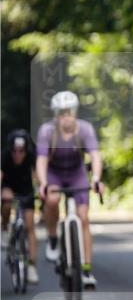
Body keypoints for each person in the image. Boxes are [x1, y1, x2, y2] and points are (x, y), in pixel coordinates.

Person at [36, 91, 104, 289]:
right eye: (61, 113)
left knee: (83, 218)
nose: (66, 117)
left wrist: (97, 179)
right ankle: (53, 238)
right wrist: (43, 183)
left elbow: (95, 156)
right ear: (56, 115)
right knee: (52, 199)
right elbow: (41, 160)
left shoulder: (85, 129)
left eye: (69, 112)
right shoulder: (47, 131)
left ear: (75, 113)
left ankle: (86, 269)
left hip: (77, 173)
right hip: (55, 174)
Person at [1, 129, 40, 284]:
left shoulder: (32, 156)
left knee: (30, 226)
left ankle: (31, 266)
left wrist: (40, 188)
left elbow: (37, 175)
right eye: (14, 151)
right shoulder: (4, 156)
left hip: (26, 189)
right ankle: (4, 228)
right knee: (7, 200)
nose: (18, 154)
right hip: (8, 187)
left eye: (21, 151)